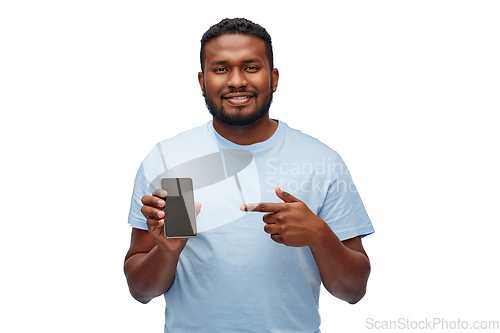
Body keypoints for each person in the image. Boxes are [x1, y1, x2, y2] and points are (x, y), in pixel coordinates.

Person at [124, 18, 374, 333]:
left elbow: (353, 291)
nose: (236, 81)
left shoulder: (321, 161)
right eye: (220, 69)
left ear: (274, 78)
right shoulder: (167, 159)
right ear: (202, 82)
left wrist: (320, 236)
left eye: (251, 67)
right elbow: (140, 291)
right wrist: (167, 251)